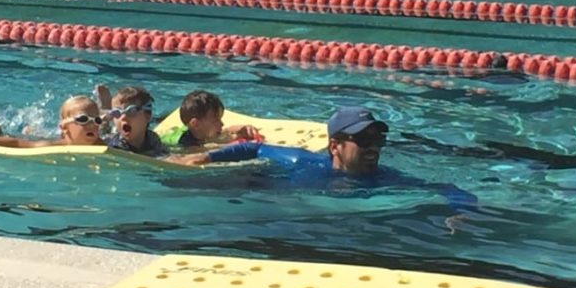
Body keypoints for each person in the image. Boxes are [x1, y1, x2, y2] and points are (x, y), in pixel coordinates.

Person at [179, 105, 388, 176]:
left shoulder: (390, 181)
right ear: (334, 146)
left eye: (378, 139)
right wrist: (207, 156)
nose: (373, 146)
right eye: (362, 138)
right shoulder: (304, 161)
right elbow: (255, 148)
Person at [0, 95, 104, 152]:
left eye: (97, 121)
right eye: (83, 120)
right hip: (34, 140)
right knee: (5, 133)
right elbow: (17, 143)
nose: (92, 125)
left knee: (33, 132)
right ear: (64, 128)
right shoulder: (51, 146)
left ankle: (30, 130)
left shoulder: (101, 144)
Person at [160, 89, 263, 148]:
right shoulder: (185, 143)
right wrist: (230, 142)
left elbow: (224, 131)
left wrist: (243, 128)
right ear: (196, 124)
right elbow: (203, 152)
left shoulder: (199, 131)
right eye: (216, 120)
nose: (221, 124)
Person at [95, 84, 166, 157]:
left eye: (131, 111)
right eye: (116, 113)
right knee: (101, 132)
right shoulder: (114, 145)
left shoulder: (152, 139)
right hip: (108, 138)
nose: (123, 117)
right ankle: (104, 111)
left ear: (147, 116)